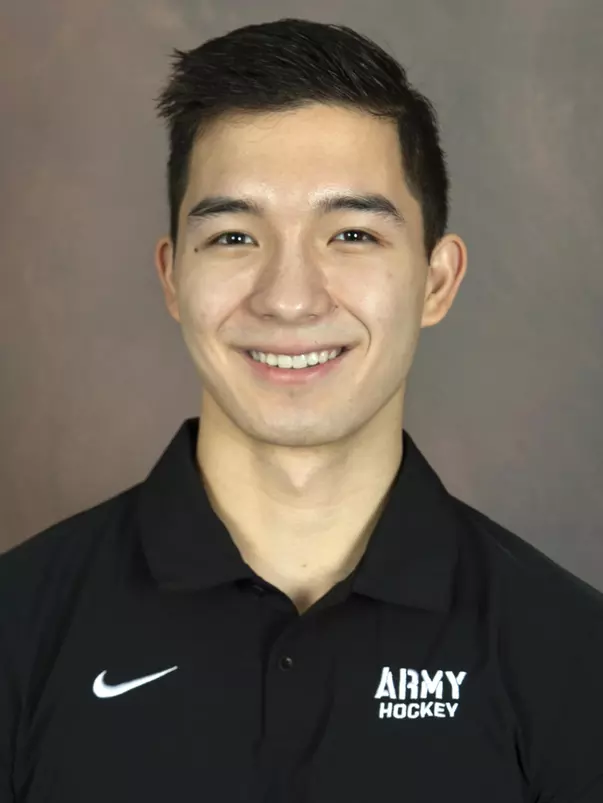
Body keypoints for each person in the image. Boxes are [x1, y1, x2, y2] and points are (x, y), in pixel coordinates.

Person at [1, 16, 601, 803]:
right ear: (172, 276)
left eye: (351, 233)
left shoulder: (570, 652)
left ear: (436, 280)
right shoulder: (19, 628)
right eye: (233, 237)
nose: (288, 298)